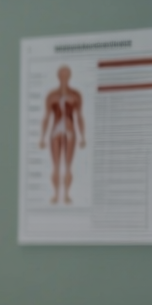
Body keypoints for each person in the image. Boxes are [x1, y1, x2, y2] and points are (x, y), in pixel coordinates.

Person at [39, 64, 86, 205]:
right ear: (58, 76)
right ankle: (55, 194)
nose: (64, 77)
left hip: (70, 130)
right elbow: (46, 117)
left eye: (66, 74)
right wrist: (42, 137)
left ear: (70, 76)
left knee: (68, 165)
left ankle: (66, 194)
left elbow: (79, 116)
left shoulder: (76, 95)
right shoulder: (51, 96)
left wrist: (83, 136)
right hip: (55, 131)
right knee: (56, 166)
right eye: (62, 74)